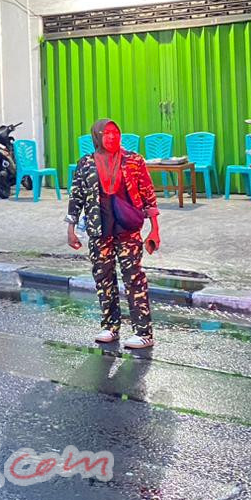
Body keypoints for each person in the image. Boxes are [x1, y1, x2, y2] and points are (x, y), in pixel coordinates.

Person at [66, 118, 161, 350]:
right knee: (103, 277)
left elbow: (148, 194)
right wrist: (71, 229)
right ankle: (110, 327)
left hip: (128, 229)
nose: (111, 137)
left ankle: (143, 333)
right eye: (106, 133)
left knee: (134, 278)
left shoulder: (134, 160)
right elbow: (76, 197)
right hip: (99, 230)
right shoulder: (85, 164)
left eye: (115, 132)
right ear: (97, 136)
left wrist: (154, 229)